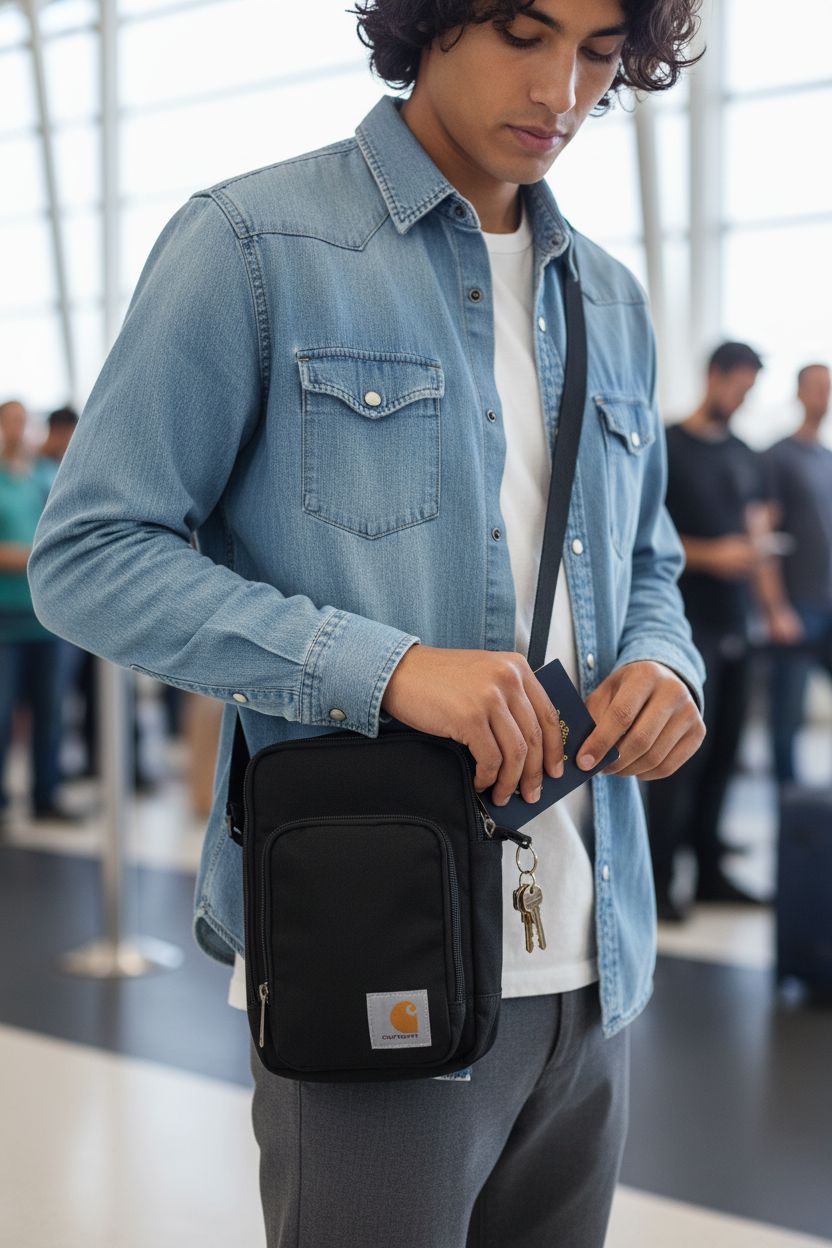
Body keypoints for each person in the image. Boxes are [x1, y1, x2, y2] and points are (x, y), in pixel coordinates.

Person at [28, 1, 707, 1244]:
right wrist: (385, 671)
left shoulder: (606, 295)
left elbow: (645, 561)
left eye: (600, 53)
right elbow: (89, 556)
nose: (560, 86)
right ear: (430, 20)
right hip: (368, 940)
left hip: (593, 959)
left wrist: (666, 664)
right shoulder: (251, 244)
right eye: (522, 30)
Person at [646, 342, 795, 921]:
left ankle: (709, 872)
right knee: (680, 760)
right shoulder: (668, 445)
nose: (745, 396)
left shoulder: (747, 455)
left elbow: (758, 535)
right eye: (740, 384)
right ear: (714, 376)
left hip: (738, 623)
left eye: (753, 388)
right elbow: (640, 536)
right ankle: (659, 884)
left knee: (728, 751)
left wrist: (772, 603)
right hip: (684, 625)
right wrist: (710, 555)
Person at [0, 399, 76, 825]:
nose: (17, 430)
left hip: (45, 621)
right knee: (3, 713)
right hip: (5, 622)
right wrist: (30, 557)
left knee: (50, 712)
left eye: (22, 422)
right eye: (9, 422)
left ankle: (46, 796)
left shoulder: (44, 477)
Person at [763, 363, 832, 785]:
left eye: (829, 388)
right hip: (796, 605)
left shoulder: (826, 458)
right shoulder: (778, 456)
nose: (824, 396)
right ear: (799, 393)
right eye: (817, 387)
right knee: (786, 712)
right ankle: (788, 807)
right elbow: (764, 537)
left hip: (828, 602)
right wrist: (775, 607)